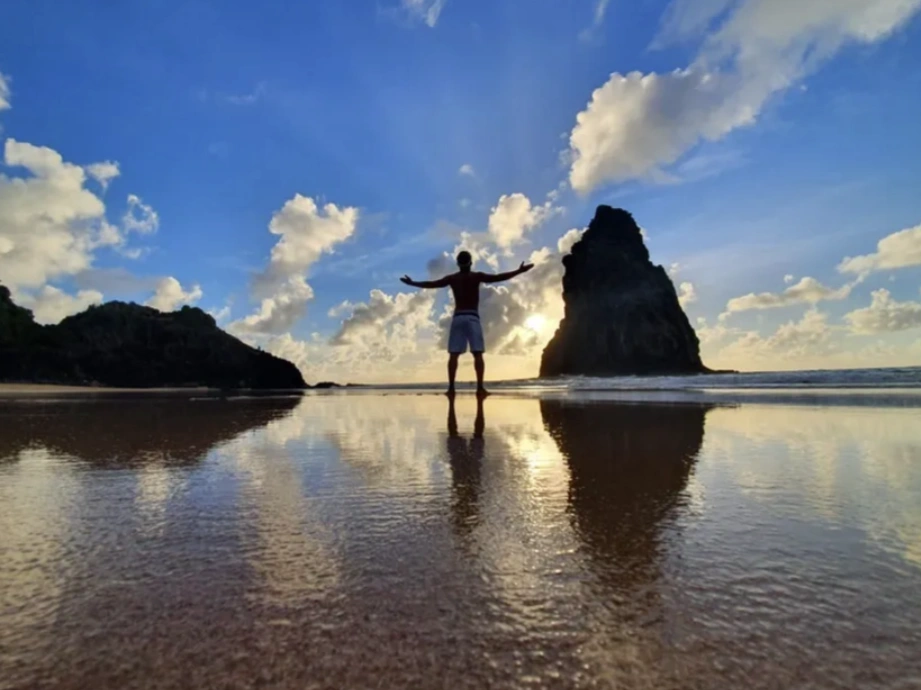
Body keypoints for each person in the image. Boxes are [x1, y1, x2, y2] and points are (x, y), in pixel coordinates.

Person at [401, 251, 533, 396]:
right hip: (472, 316)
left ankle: (451, 388)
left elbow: (432, 284)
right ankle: (480, 388)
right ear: (471, 262)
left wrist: (413, 283)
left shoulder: (453, 278)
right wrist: (519, 271)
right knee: (477, 354)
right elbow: (498, 277)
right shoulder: (476, 276)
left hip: (458, 317)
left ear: (458, 264)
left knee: (453, 355)